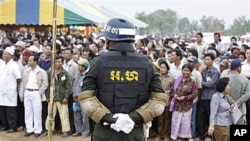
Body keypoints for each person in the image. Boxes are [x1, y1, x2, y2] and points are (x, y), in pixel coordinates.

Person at [78, 18, 168, 141]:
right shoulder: (147, 63)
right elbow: (159, 101)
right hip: (134, 132)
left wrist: (111, 119)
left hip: (105, 132)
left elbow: (86, 97)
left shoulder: (98, 62)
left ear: (108, 39)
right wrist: (132, 118)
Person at [19, 55, 48, 137]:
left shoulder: (41, 71)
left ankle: (37, 129)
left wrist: (39, 92)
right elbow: (23, 82)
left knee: (37, 112)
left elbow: (45, 84)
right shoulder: (26, 70)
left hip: (36, 92)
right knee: (28, 111)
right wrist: (21, 93)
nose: (29, 61)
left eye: (31, 60)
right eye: (29, 60)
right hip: (27, 91)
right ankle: (29, 129)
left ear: (35, 62)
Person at [44, 56, 71, 137]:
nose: (57, 63)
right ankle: (49, 129)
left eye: (59, 62)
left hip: (62, 97)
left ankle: (65, 131)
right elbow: (47, 85)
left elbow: (68, 86)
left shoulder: (65, 73)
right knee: (50, 114)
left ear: (62, 63)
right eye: (56, 61)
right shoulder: (50, 73)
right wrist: (48, 96)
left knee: (64, 115)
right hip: (52, 97)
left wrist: (66, 97)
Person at [170, 64, 198, 141]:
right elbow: (172, 90)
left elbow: (195, 94)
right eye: (184, 70)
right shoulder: (177, 80)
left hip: (187, 106)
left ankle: (183, 137)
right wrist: (175, 95)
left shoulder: (192, 82)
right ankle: (175, 136)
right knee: (175, 121)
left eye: (187, 71)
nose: (185, 72)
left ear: (190, 72)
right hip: (177, 105)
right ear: (182, 71)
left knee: (185, 122)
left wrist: (185, 98)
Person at [0, 47, 22, 133]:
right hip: (2, 90)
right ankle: (5, 125)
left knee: (10, 110)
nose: (4, 55)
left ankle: (12, 127)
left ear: (11, 56)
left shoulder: (14, 65)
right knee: (2, 109)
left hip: (10, 91)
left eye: (6, 54)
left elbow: (19, 78)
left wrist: (11, 86)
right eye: (3, 54)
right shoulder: (2, 65)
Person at [226, 59, 250, 125]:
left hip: (227, 108)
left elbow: (223, 93)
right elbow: (248, 94)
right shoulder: (245, 80)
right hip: (241, 109)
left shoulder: (225, 78)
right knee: (239, 132)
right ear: (239, 68)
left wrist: (233, 103)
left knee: (227, 131)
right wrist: (237, 102)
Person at [72, 58, 90, 138]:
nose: (78, 66)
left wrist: (79, 95)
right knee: (76, 115)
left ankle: (85, 132)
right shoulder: (77, 75)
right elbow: (74, 85)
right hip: (75, 99)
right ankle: (78, 130)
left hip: (84, 99)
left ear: (84, 67)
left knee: (84, 116)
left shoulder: (87, 76)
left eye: (79, 65)